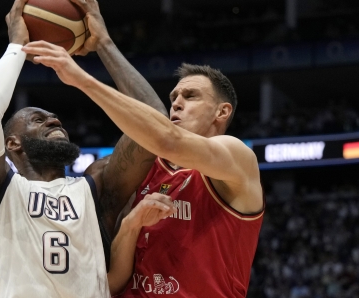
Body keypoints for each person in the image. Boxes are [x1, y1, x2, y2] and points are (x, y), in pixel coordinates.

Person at [21, 6, 265, 296]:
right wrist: (102, 43)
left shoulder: (236, 158)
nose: (176, 103)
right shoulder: (146, 168)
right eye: (174, 97)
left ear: (222, 111)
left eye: (190, 96)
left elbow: (167, 139)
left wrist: (82, 79)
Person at [0, 0, 173, 297]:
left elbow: (155, 125)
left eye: (54, 117)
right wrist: (17, 47)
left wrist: (105, 45)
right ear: (12, 143)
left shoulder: (96, 186)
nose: (54, 119)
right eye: (38, 119)